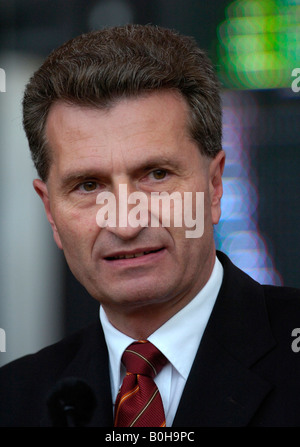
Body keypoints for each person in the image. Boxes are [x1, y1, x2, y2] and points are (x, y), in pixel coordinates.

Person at [0, 23, 300, 428]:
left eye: (156, 175)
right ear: (51, 211)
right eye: (88, 185)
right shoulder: (13, 398)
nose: (125, 222)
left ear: (214, 187)